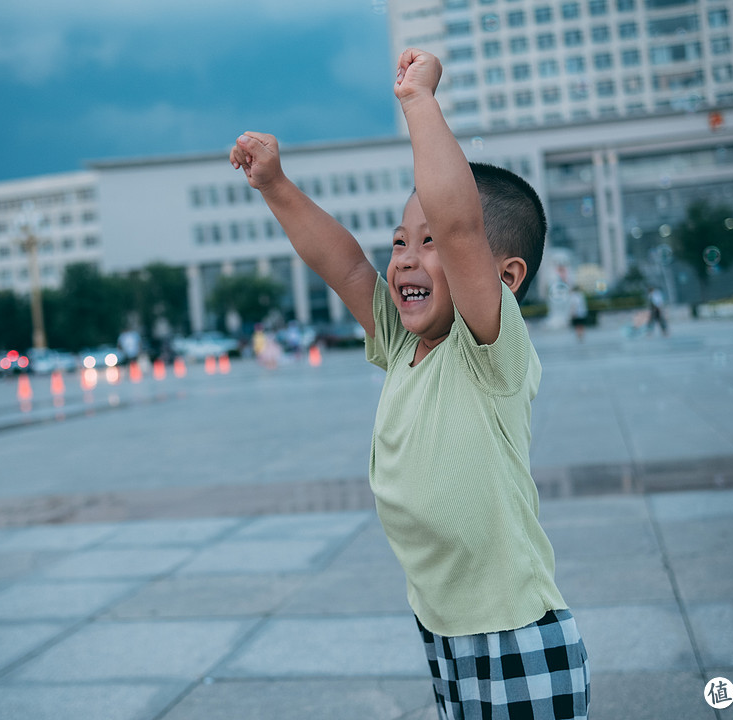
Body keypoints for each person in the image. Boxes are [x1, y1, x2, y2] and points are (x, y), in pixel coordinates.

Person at [231, 48, 588, 720]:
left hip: (514, 631)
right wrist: (276, 185)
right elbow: (344, 268)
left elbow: (460, 224)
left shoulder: (488, 347)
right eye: (401, 242)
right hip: (443, 627)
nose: (408, 260)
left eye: (432, 245)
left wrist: (420, 102)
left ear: (504, 280)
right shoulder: (402, 345)